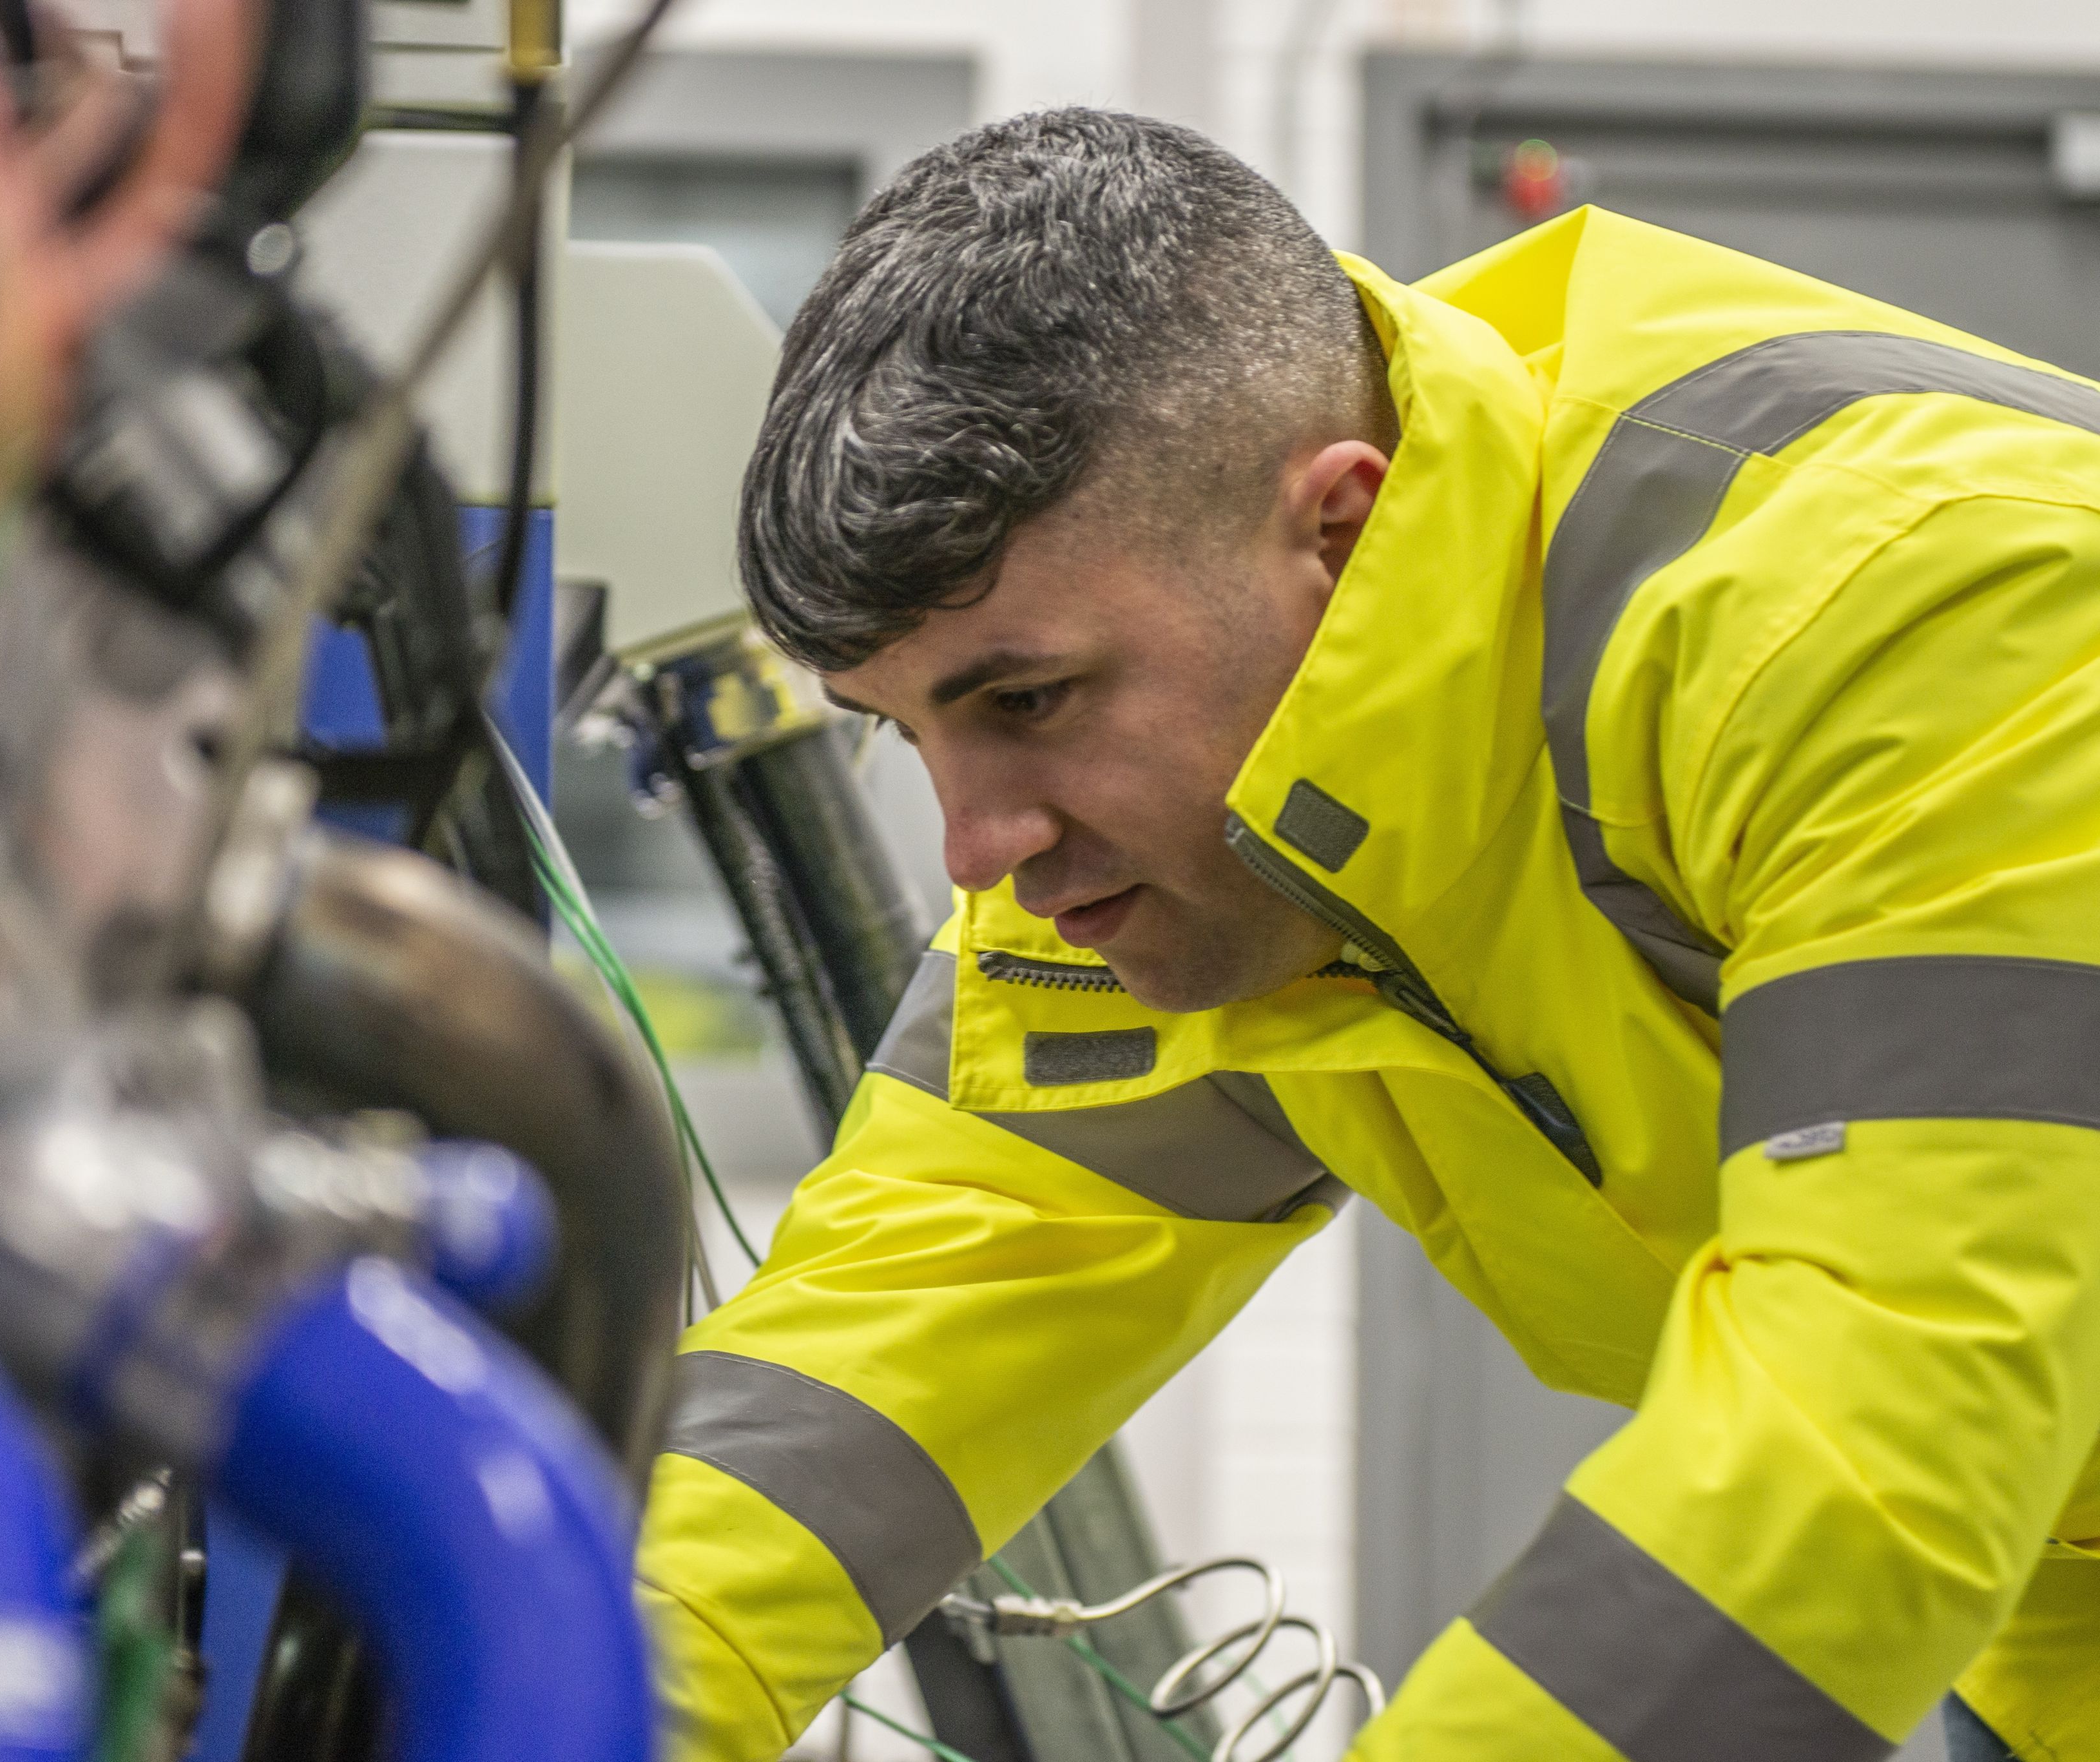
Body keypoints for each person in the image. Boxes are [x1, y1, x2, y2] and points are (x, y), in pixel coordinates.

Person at [635, 106, 2100, 1762]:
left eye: (1027, 697)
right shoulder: (1190, 837)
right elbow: (879, 1348)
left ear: (1335, 529)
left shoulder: (1910, 611)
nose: (978, 851)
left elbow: (1883, 1415)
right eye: (900, 732)